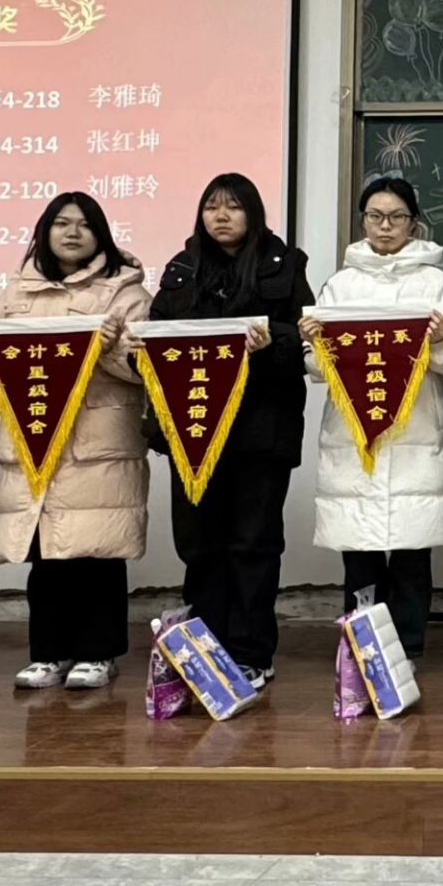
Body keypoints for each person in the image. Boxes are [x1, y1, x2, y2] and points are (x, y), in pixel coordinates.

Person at [0, 194, 151, 690]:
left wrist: (108, 348)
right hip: (34, 438)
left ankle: (99, 654)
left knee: (96, 551)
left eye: (84, 225)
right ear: (45, 232)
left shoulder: (126, 292)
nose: (72, 233)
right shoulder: (17, 290)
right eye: (61, 223)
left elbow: (142, 367)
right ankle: (48, 653)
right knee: (45, 553)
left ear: (101, 235)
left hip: (97, 441)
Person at [131, 173, 312, 691]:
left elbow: (305, 339)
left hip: (261, 431)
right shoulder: (182, 268)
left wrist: (269, 342)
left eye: (233, 207)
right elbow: (155, 338)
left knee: (254, 544)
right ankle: (207, 648)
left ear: (253, 213)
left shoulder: (285, 264)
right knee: (201, 545)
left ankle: (252, 652)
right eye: (212, 207)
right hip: (193, 431)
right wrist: (140, 348)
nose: (221, 216)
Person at [297, 176, 443, 661]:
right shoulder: (341, 284)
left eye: (396, 217)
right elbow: (317, 369)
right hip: (355, 437)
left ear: (414, 223)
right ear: (363, 222)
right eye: (375, 216)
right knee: (360, 548)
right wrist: (313, 343)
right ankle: (364, 648)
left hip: (417, 431)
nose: (385, 226)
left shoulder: (436, 283)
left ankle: (408, 649)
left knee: (413, 549)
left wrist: (440, 341)